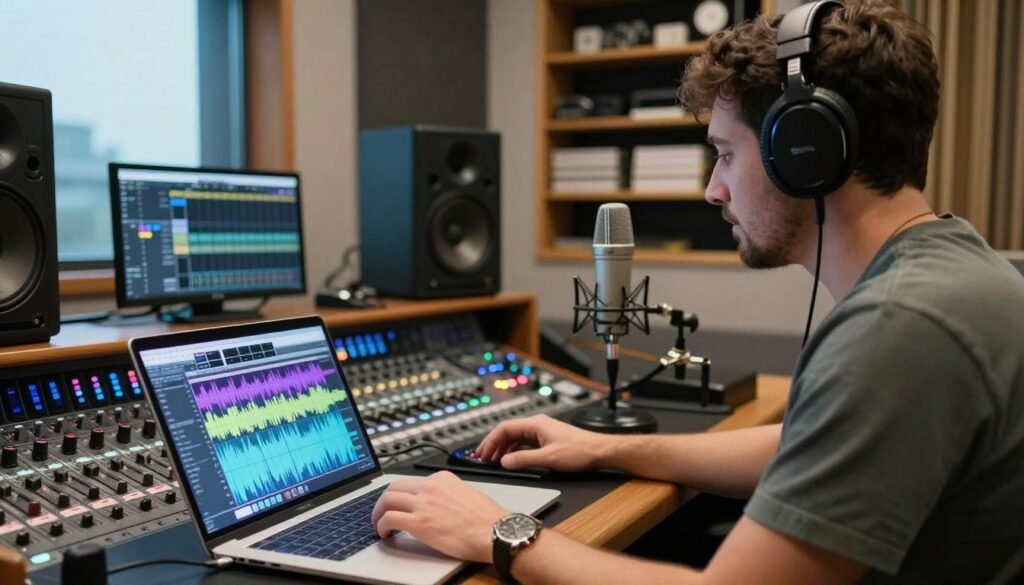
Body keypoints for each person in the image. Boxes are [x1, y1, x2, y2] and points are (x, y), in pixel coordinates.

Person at [371, 1, 1024, 583]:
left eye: (726, 154)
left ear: (804, 150)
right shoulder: (958, 271)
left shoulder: (900, 325)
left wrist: (501, 532)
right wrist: (607, 447)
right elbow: (810, 444)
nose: (713, 188)